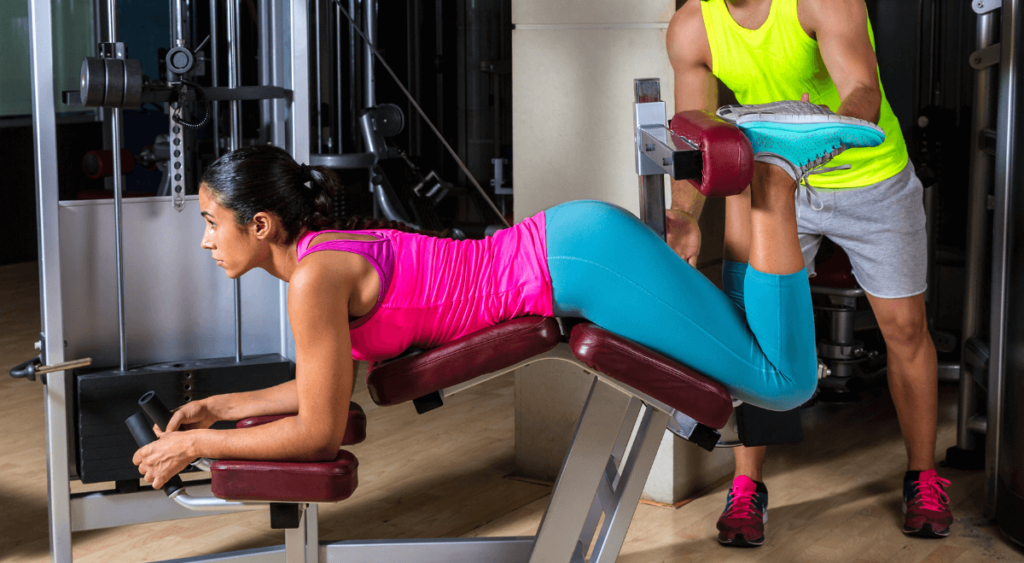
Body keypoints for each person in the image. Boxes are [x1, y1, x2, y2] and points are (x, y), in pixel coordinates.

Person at [132, 121, 881, 500]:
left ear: (259, 224)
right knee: (764, 361)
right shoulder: (320, 258)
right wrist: (219, 412)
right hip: (577, 250)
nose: (204, 240)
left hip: (581, 262)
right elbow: (318, 389)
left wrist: (194, 451)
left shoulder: (314, 280)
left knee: (783, 383)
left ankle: (774, 174)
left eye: (209, 221)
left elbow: (322, 427)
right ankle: (772, 172)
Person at [648, 0, 952, 546]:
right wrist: (683, 213)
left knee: (904, 329)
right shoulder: (690, 26)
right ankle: (747, 486)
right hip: (769, 181)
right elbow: (700, 133)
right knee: (750, 332)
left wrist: (810, 144)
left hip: (868, 178)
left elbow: (861, 95)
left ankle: (923, 475)